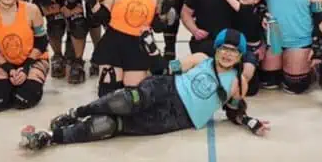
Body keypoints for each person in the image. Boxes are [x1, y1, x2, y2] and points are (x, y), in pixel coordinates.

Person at [18, 29, 269, 151]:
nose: (227, 54)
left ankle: (50, 137)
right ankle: (76, 112)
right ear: (216, 49)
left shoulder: (238, 82)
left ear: (239, 56)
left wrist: (250, 123)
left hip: (177, 118)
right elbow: (162, 69)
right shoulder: (200, 58)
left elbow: (234, 111)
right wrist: (151, 51)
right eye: (223, 48)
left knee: (109, 126)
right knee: (125, 102)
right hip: (166, 89)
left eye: (233, 51)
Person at [82, 0, 181, 95]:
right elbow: (102, 17)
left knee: (133, 93)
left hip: (137, 46)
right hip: (113, 43)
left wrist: (166, 7)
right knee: (108, 88)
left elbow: (158, 28)